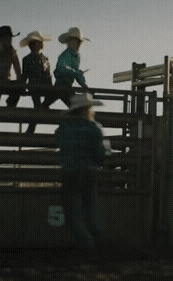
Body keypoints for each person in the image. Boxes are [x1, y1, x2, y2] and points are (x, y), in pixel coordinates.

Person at [55, 93, 111, 255]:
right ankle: (96, 240)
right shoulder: (94, 128)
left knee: (72, 215)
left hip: (70, 172)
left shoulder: (63, 128)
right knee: (91, 208)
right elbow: (100, 154)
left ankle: (88, 245)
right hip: (89, 172)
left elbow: (59, 141)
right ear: (87, 109)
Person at [45, 27, 90, 108]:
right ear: (70, 41)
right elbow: (62, 68)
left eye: (80, 42)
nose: (79, 44)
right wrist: (77, 75)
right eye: (77, 41)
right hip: (62, 86)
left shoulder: (76, 56)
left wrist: (83, 84)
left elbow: (75, 73)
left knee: (45, 106)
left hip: (65, 86)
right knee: (76, 107)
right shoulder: (66, 54)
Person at [20, 31, 53, 133]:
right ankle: (31, 127)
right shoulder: (26, 59)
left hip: (45, 86)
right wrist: (22, 87)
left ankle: (31, 127)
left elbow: (49, 75)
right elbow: (25, 75)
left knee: (40, 106)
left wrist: (51, 88)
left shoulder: (46, 59)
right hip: (34, 85)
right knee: (37, 106)